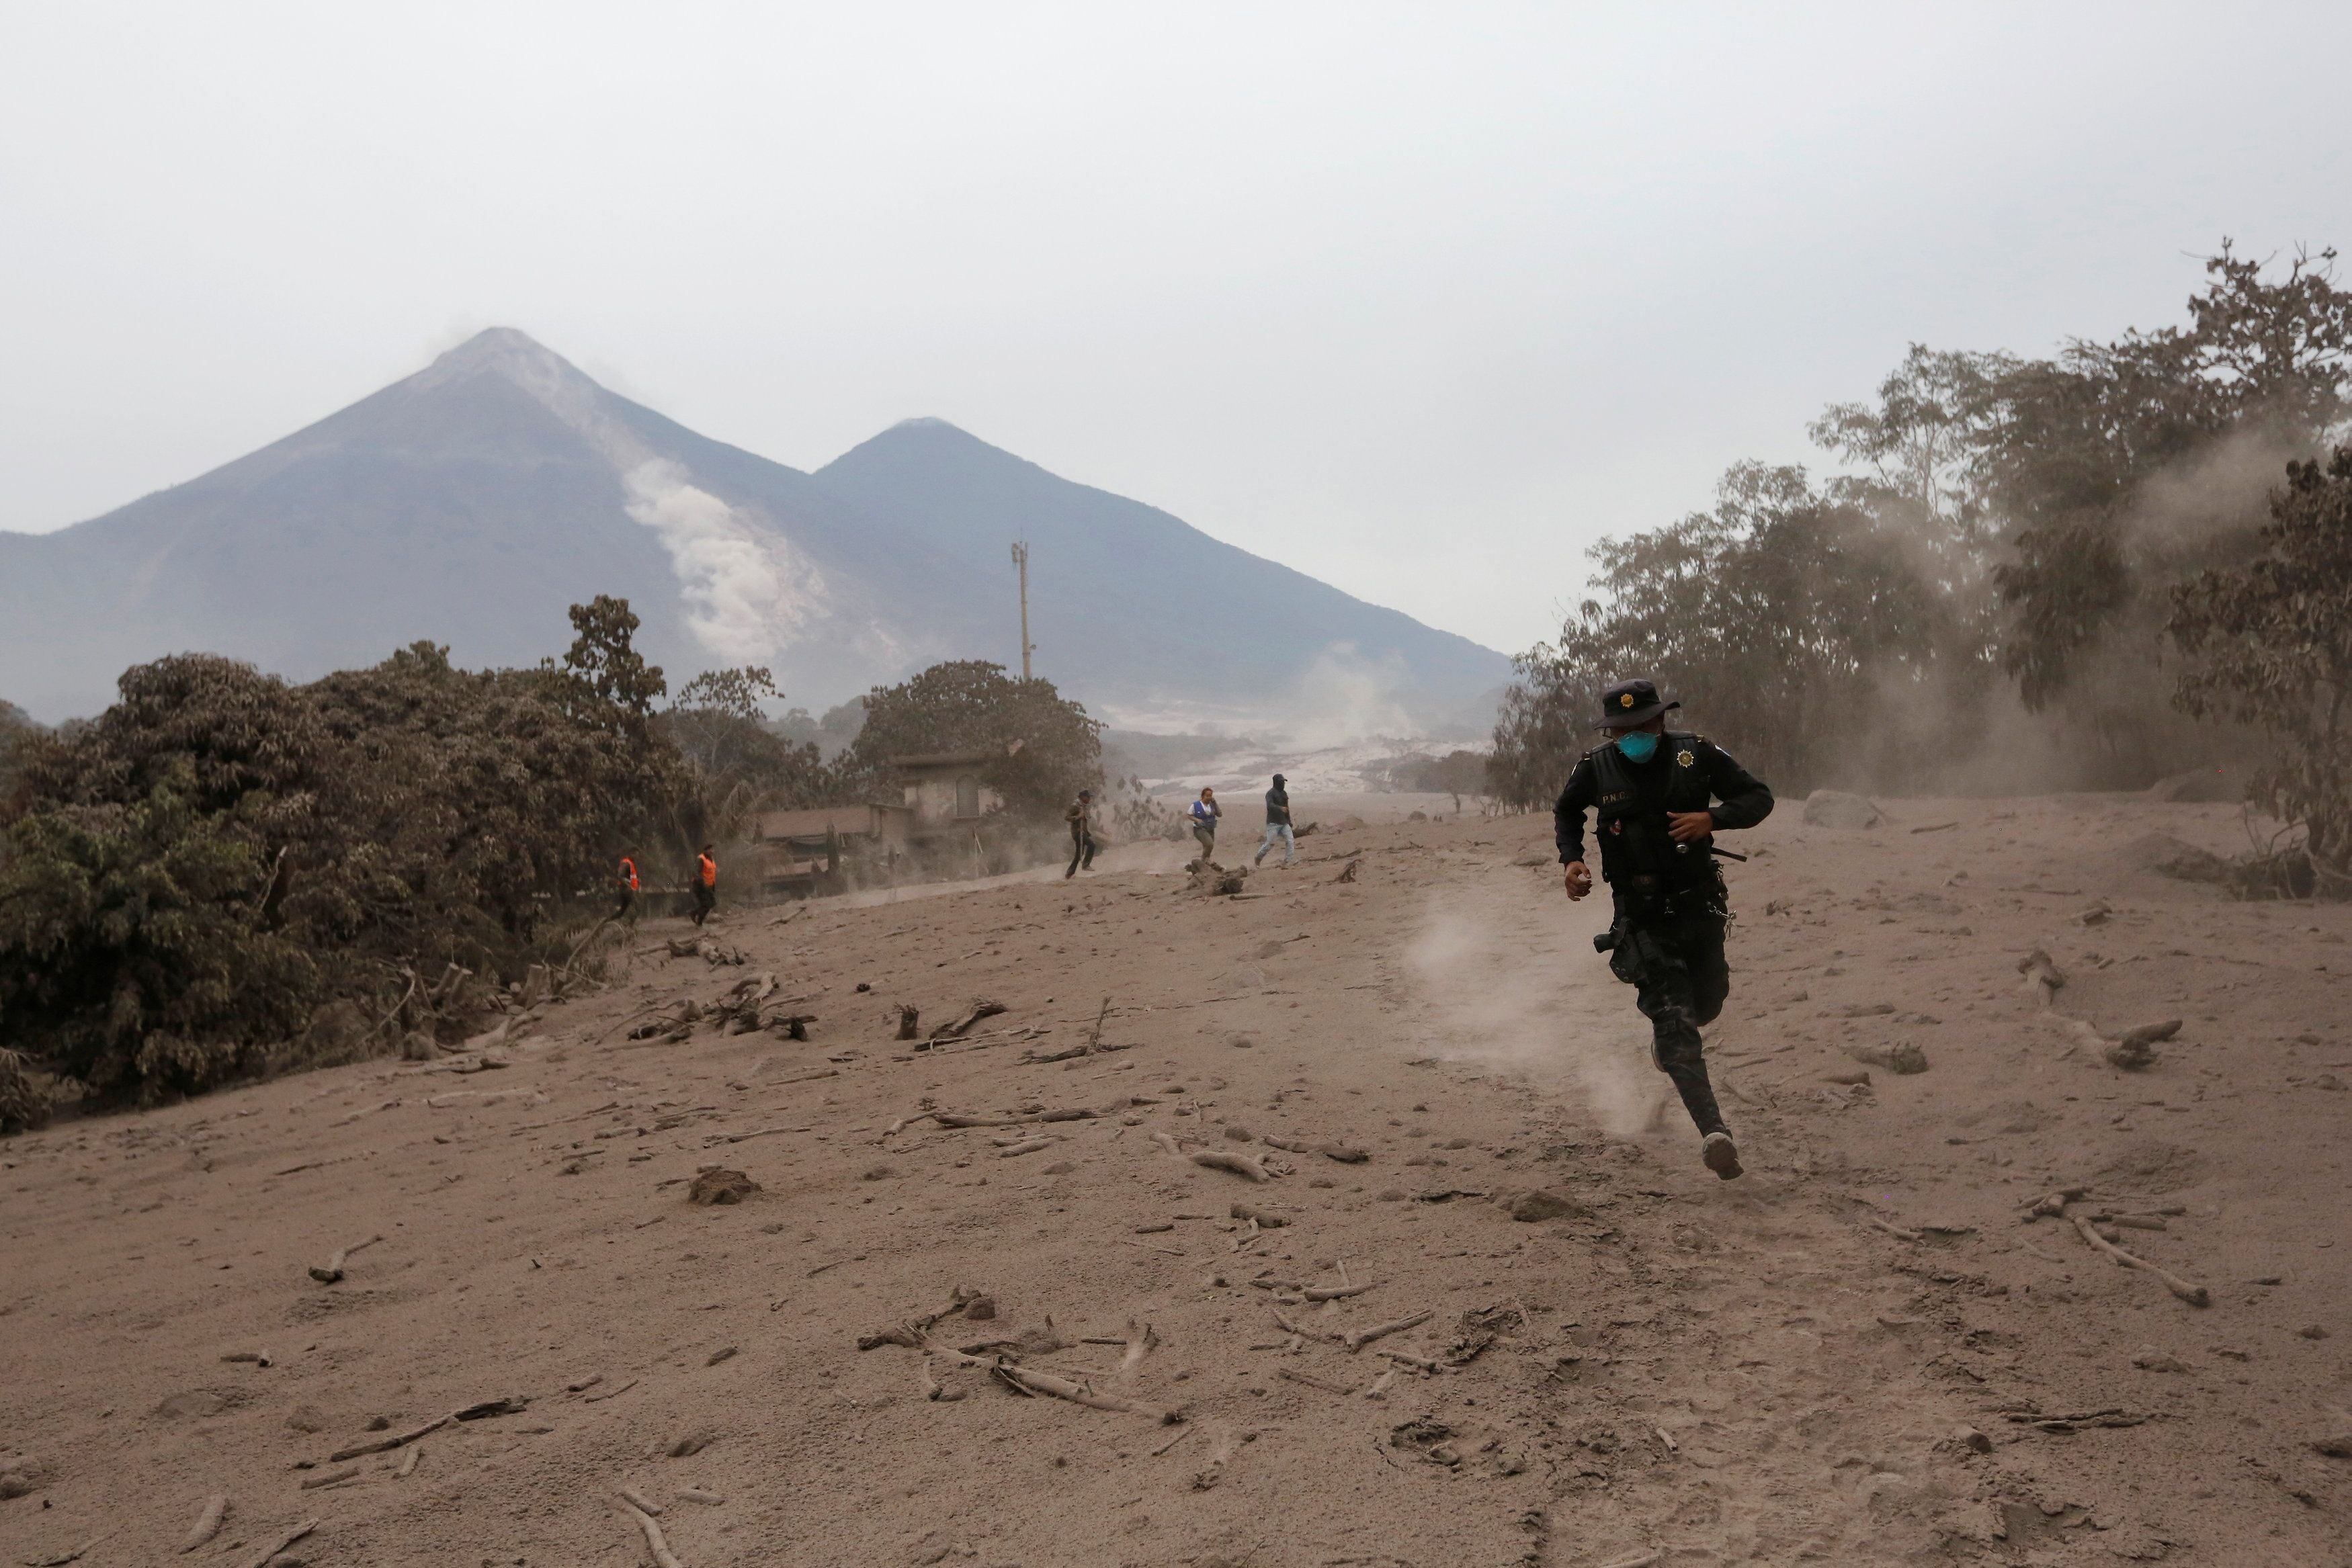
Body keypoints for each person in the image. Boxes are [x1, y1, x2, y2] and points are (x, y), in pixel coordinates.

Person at [1555, 677, 1773, 1180]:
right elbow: (1566, 811)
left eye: (1641, 725)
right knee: (1676, 1027)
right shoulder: (1595, 768)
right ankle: (1715, 1133)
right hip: (1641, 918)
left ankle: (1670, 1046)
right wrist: (1571, 861)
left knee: (1708, 1003)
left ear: (1660, 720)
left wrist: (1713, 819)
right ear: (1611, 731)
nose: (1631, 735)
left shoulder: (1695, 755)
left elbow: (1759, 798)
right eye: (1621, 729)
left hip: (1699, 910)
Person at [1255, 773, 1296, 867]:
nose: (1283, 784)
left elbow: (1287, 808)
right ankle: (1258, 857)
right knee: (1270, 844)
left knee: (1290, 841)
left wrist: (1289, 821)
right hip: (1273, 823)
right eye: (1281, 782)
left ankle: (1287, 862)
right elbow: (1270, 805)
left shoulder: (1284, 794)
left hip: (1284, 823)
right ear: (1276, 783)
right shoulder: (1270, 793)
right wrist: (1280, 808)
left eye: (1284, 782)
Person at [1064, 789, 1097, 877]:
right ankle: (1086, 865)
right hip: (1077, 832)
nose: (1090, 799)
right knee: (1092, 845)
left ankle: (1069, 873)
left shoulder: (1083, 806)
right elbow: (1067, 817)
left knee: (1079, 854)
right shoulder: (1075, 806)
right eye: (1088, 797)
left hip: (1083, 832)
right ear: (1083, 797)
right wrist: (1078, 817)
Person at [1188, 786, 1221, 860]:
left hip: (1211, 829)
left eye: (1210, 796)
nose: (1209, 797)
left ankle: (1207, 861)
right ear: (1203, 796)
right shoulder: (1196, 805)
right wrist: (1197, 820)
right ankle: (1203, 861)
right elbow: (1189, 815)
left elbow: (1220, 814)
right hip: (1200, 829)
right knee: (1209, 844)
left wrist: (1215, 803)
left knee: (1209, 847)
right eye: (1207, 796)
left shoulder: (1213, 805)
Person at [692, 843, 718, 926]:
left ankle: (694, 913)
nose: (712, 851)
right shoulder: (701, 859)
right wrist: (703, 884)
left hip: (710, 885)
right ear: (705, 850)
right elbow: (697, 873)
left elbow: (711, 871)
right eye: (710, 849)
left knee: (711, 903)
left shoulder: (711, 859)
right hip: (701, 885)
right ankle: (699, 921)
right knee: (708, 904)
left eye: (712, 849)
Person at [614, 851, 640, 922]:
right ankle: (629, 925)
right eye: (636, 855)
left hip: (628, 889)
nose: (637, 857)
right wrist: (628, 886)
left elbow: (631, 878)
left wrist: (637, 882)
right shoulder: (626, 863)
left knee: (623, 911)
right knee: (636, 907)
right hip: (625, 890)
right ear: (631, 854)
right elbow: (620, 876)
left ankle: (609, 921)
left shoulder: (631, 864)